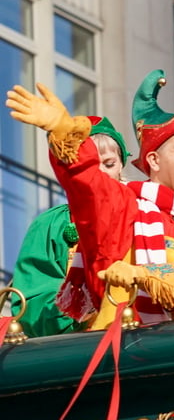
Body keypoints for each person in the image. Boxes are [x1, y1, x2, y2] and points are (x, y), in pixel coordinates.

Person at [5, 70, 174, 329]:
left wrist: (144, 275)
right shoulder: (123, 208)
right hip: (119, 357)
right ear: (154, 160)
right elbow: (90, 184)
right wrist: (64, 135)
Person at [9, 116, 130, 337]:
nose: (99, 173)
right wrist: (84, 305)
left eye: (109, 164)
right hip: (78, 348)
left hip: (138, 338)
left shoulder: (146, 214)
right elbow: (32, 300)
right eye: (90, 165)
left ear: (121, 165)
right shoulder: (50, 224)